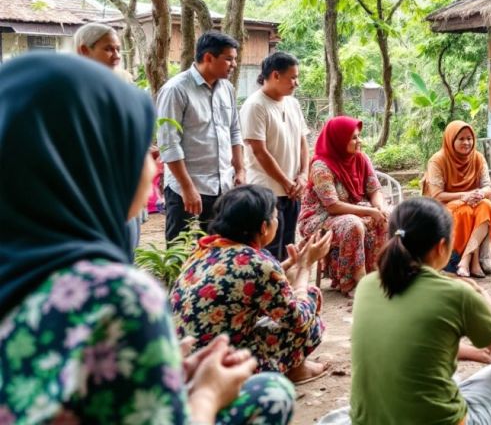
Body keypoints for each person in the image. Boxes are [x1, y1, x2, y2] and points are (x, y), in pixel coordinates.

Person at [0, 53, 294, 424]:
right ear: (93, 162)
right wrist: (206, 392)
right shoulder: (112, 299)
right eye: (138, 146)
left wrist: (160, 373)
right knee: (269, 393)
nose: (154, 164)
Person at [341, 197, 491, 425]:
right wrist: (483, 297)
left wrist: (474, 353)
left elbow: (415, 340)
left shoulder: (368, 286)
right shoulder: (457, 293)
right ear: (440, 247)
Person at [171, 185, 333, 384]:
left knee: (284, 303)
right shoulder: (258, 262)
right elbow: (298, 319)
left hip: (188, 362)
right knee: (310, 300)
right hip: (222, 369)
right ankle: (296, 369)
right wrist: (305, 266)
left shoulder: (205, 249)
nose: (277, 222)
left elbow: (243, 287)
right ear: (264, 227)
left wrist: (288, 267)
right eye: (275, 217)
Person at [157, 31, 245, 243]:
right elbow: (169, 144)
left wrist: (240, 169)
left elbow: (234, 130)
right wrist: (187, 188)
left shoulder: (227, 88)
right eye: (229, 59)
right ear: (208, 57)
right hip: (186, 188)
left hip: (222, 185)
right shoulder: (175, 90)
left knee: (216, 249)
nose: (233, 64)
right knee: (180, 249)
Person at [298, 116, 389, 295]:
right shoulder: (321, 166)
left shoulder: (361, 159)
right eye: (354, 137)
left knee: (387, 216)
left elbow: (374, 189)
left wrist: (379, 208)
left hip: (352, 209)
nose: (359, 141)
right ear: (339, 140)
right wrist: (369, 211)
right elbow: (332, 206)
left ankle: (378, 274)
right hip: (319, 217)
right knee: (352, 224)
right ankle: (355, 281)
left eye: (359, 136)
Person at [74, 22, 146, 250]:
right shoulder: (71, 87)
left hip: (125, 185)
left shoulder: (123, 80)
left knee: (127, 250)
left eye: (117, 49)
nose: (116, 55)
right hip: (92, 191)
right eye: (108, 49)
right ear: (84, 50)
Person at [240, 52, 310, 260]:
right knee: (269, 249)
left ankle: (286, 288)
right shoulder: (255, 106)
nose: (296, 83)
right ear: (275, 76)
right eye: (293, 77)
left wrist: (303, 175)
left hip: (292, 191)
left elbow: (302, 142)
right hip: (267, 191)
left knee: (288, 245)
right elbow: (259, 151)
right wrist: (286, 182)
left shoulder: (292, 104)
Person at [422, 120, 491, 278]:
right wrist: (464, 196)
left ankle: (465, 260)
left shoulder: (477, 158)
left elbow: (488, 187)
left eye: (469, 139)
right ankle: (474, 261)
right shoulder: (438, 160)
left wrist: (478, 194)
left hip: (474, 203)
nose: (467, 143)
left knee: (486, 206)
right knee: (465, 211)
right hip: (443, 206)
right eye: (461, 139)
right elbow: (437, 195)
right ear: (451, 140)